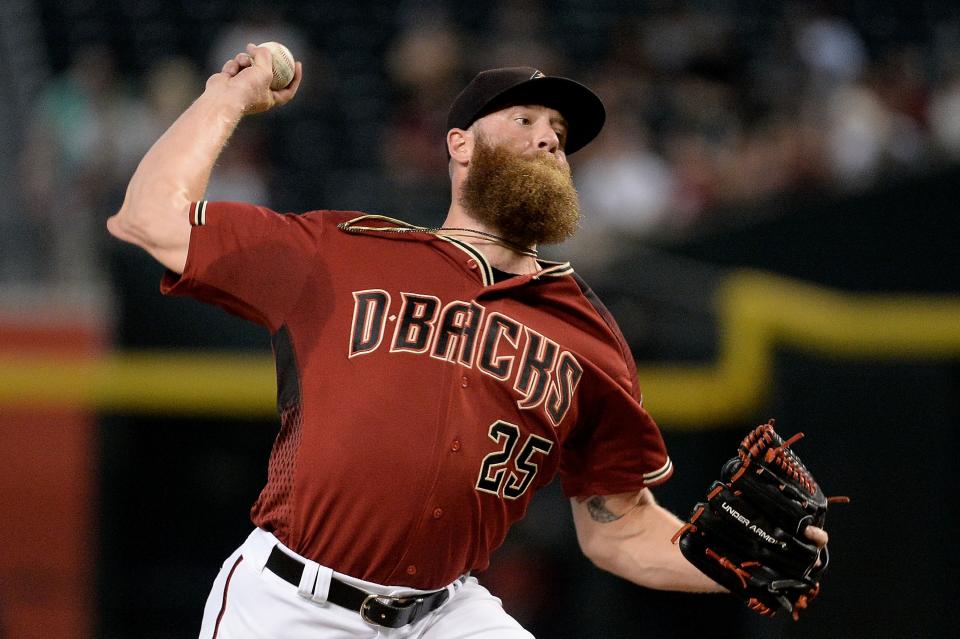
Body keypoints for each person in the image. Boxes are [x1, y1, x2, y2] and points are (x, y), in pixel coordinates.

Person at [107, 45, 828, 638]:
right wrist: (229, 97)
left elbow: (617, 529)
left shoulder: (588, 333)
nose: (549, 137)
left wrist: (727, 561)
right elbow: (150, 217)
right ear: (459, 144)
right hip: (292, 604)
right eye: (524, 119)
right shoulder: (342, 252)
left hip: (447, 613)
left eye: (559, 132)